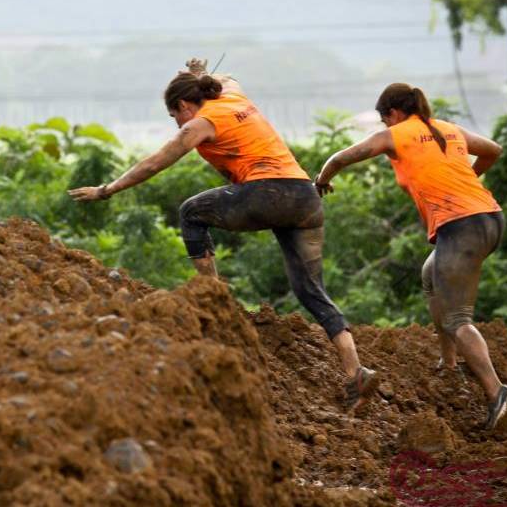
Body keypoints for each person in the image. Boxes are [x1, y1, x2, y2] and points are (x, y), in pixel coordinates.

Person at [69, 58, 380, 410]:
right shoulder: (234, 97)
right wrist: (200, 73)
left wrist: (106, 190)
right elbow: (228, 77)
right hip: (305, 197)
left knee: (191, 212)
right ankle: (355, 371)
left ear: (184, 106)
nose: (178, 123)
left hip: (269, 194)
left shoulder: (200, 124)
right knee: (311, 291)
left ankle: (212, 296)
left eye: (175, 116)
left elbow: (155, 163)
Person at [314, 82, 507, 430]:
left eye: (384, 121)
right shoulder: (447, 129)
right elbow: (493, 150)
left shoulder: (397, 134)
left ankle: (496, 391)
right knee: (430, 274)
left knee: (458, 318)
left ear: (392, 114)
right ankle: (449, 362)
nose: (384, 128)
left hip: (461, 227)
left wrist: (321, 179)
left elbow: (343, 156)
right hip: (490, 218)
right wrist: (466, 177)